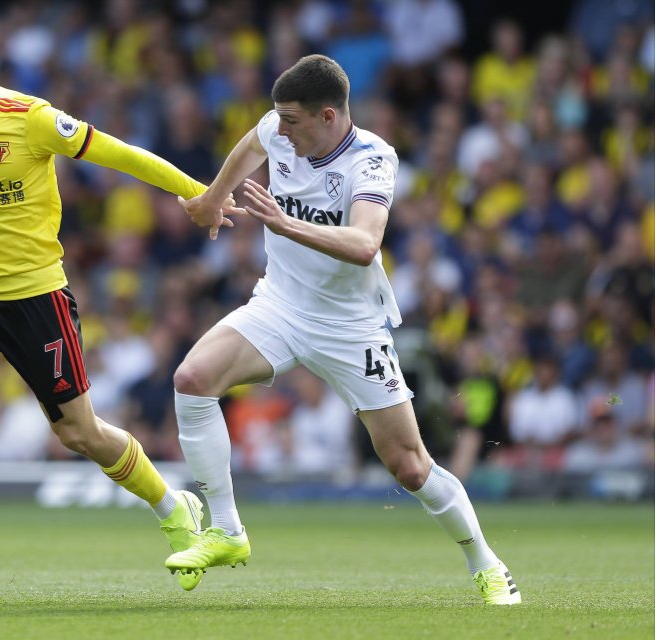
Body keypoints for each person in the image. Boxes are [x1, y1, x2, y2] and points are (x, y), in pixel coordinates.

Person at [170, 54, 521, 605]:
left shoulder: (372, 159)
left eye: (292, 120)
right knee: (191, 379)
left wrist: (286, 224)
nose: (280, 129)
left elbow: (364, 246)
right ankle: (228, 530)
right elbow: (251, 144)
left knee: (408, 465)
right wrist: (217, 196)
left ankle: (488, 563)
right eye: (279, 117)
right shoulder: (278, 129)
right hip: (281, 304)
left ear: (328, 116)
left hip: (349, 325)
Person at [0, 32, 233, 592]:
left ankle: (172, 505)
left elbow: (122, 155)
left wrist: (203, 193)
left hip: (36, 298)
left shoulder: (33, 120)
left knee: (79, 435)